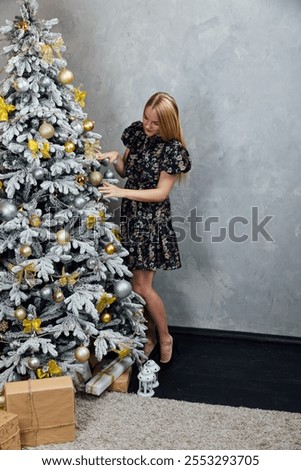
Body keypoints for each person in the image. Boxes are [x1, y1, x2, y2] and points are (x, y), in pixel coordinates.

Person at [95, 92, 191, 365]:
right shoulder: (137, 134)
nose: (148, 126)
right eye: (145, 119)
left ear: (168, 124)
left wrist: (122, 194)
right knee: (139, 286)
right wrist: (115, 158)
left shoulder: (173, 150)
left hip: (151, 223)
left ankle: (164, 336)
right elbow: (127, 172)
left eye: (155, 123)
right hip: (132, 218)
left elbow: (161, 193)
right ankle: (150, 336)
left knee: (141, 286)